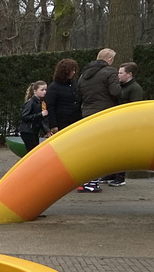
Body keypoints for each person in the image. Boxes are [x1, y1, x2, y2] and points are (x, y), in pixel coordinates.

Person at [77, 48, 120, 193]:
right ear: (109, 59)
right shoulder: (110, 72)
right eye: (112, 59)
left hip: (87, 113)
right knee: (101, 150)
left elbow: (79, 94)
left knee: (90, 148)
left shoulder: (84, 74)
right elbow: (115, 92)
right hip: (104, 114)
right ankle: (92, 183)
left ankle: (85, 180)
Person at [105, 62, 145, 187]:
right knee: (112, 150)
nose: (118, 75)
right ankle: (111, 173)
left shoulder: (135, 89)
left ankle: (120, 176)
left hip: (126, 125)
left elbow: (135, 108)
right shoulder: (121, 86)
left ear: (130, 74)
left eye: (121, 73)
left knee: (122, 151)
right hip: (118, 122)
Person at [45, 58, 81, 133]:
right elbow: (50, 107)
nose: (74, 73)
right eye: (71, 70)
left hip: (76, 121)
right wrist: (53, 125)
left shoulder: (75, 84)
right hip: (62, 123)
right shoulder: (53, 87)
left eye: (74, 70)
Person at [18, 80, 50, 154]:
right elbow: (24, 117)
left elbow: (39, 120)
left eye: (45, 90)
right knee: (33, 152)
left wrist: (47, 130)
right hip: (28, 131)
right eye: (42, 90)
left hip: (33, 131)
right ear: (35, 91)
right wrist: (40, 114)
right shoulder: (31, 102)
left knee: (34, 152)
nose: (44, 92)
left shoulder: (38, 102)